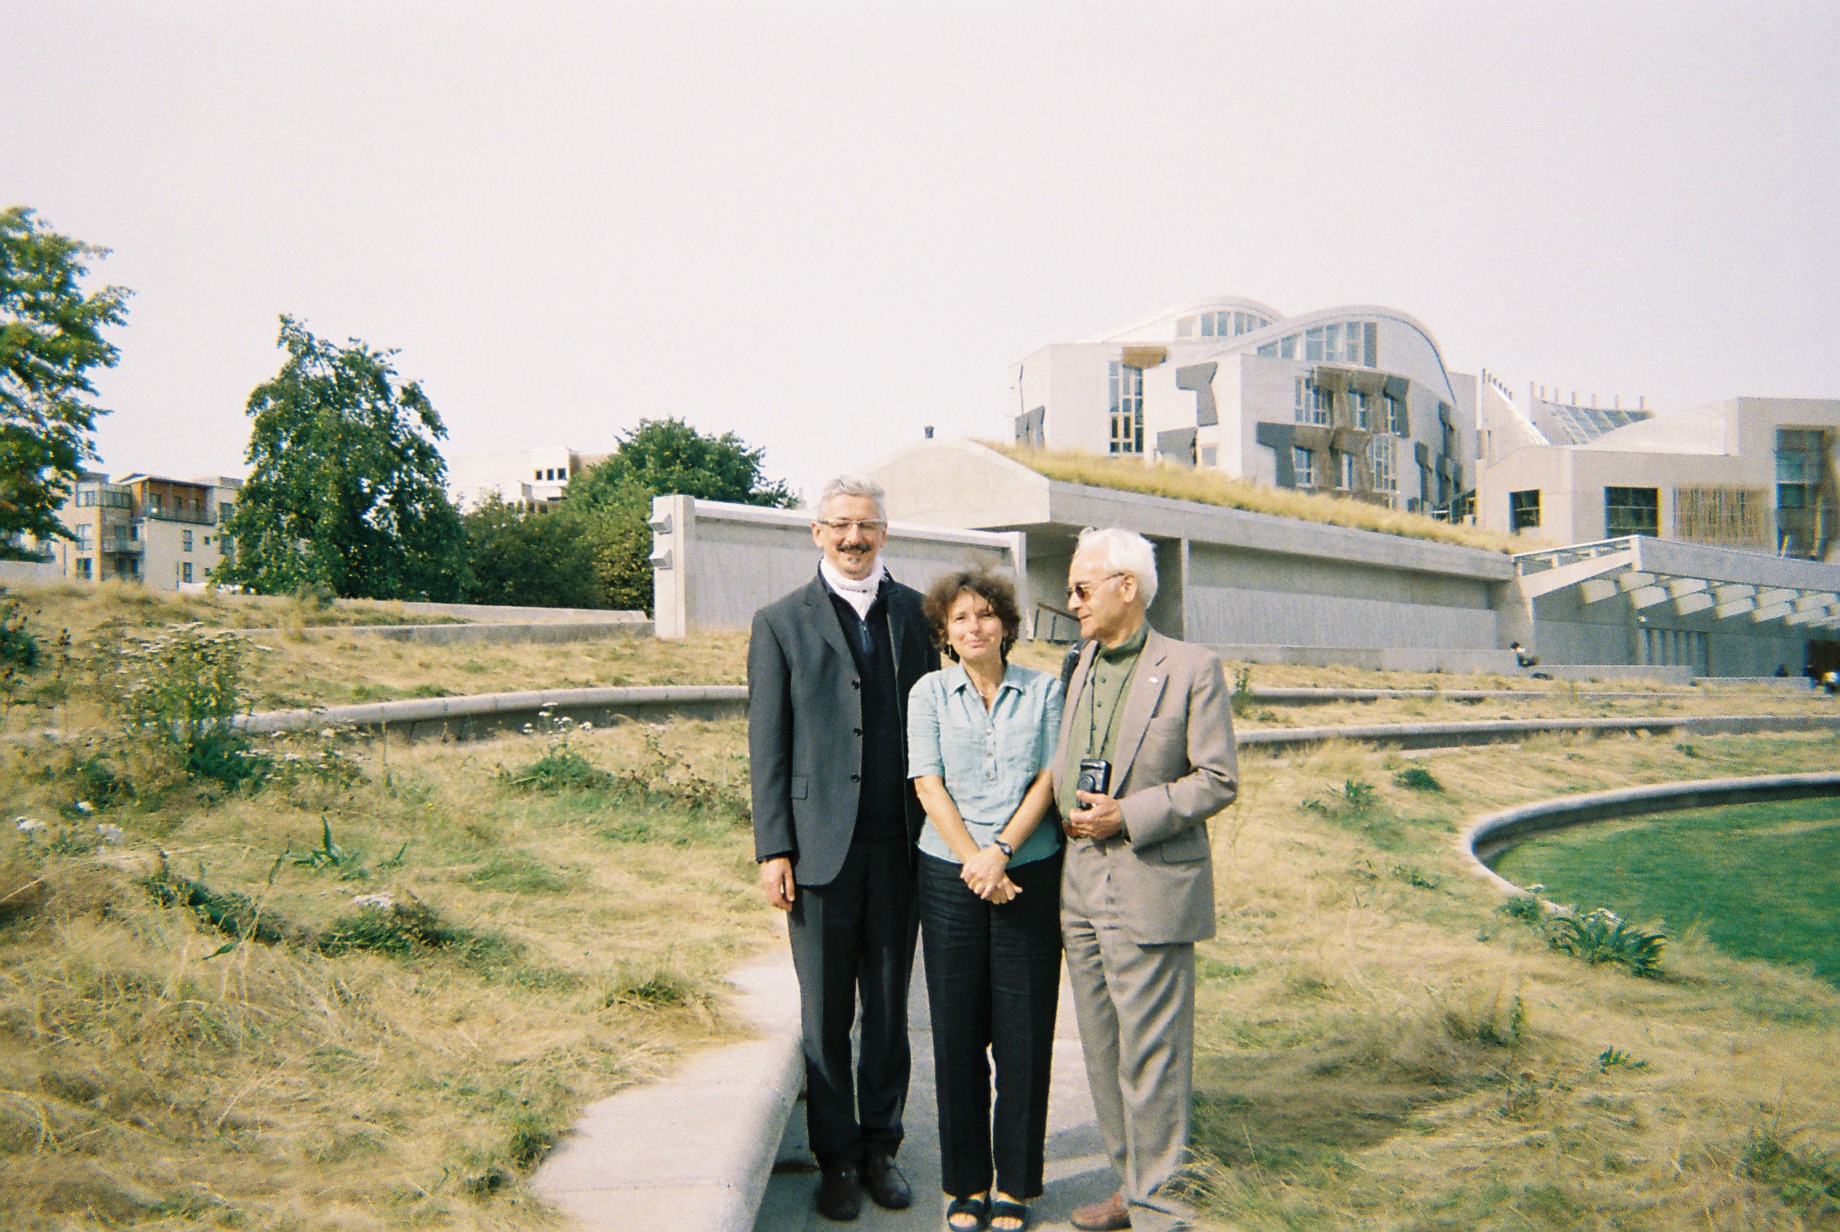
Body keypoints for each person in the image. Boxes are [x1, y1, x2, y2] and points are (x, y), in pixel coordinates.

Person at [748, 474, 939, 1222]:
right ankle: (835, 1159)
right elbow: (768, 741)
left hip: (901, 844)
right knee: (825, 1012)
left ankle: (880, 1148)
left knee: (889, 1007)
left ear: (884, 533)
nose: (854, 538)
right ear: (817, 533)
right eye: (840, 526)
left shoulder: (918, 615)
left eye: (867, 526)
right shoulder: (780, 622)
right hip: (819, 850)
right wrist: (775, 847)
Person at [1055, 528, 1239, 1232]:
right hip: (1080, 887)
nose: (1072, 602)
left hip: (1150, 881)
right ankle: (1130, 1187)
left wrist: (1127, 815)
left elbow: (1217, 779)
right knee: (1103, 1050)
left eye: (1081, 587)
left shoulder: (1192, 667)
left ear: (1125, 586)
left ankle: (1162, 1207)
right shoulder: (1079, 664)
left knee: (1153, 1053)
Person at [906, 569, 1065, 1232]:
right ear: (945, 633)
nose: (974, 627)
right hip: (950, 876)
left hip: (1026, 871)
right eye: (960, 618)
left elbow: (1050, 777)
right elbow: (927, 782)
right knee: (958, 1033)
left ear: (1005, 623)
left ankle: (1017, 1186)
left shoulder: (1046, 690)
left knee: (1024, 1038)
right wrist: (976, 859)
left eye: (986, 615)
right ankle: (967, 1183)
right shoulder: (929, 692)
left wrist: (1000, 850)